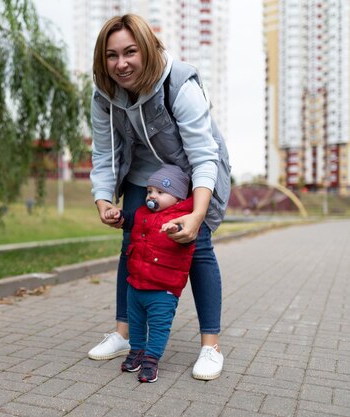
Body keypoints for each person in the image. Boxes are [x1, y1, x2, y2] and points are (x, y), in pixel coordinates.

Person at [87, 14, 231, 381]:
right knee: (131, 244)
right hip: (141, 174)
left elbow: (203, 154)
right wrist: (104, 200)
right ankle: (123, 335)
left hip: (186, 174)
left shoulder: (179, 84)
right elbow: (104, 154)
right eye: (112, 55)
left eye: (130, 52)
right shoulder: (104, 96)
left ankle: (210, 346)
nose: (121, 64)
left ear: (147, 49)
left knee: (196, 247)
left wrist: (198, 215)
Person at [104, 164, 195, 383]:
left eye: (160, 192)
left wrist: (176, 231)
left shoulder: (183, 219)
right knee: (135, 323)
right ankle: (136, 352)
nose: (152, 196)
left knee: (158, 326)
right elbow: (128, 220)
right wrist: (118, 215)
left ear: (178, 197)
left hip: (163, 289)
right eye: (149, 191)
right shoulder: (142, 213)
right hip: (136, 284)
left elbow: (187, 238)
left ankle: (151, 360)